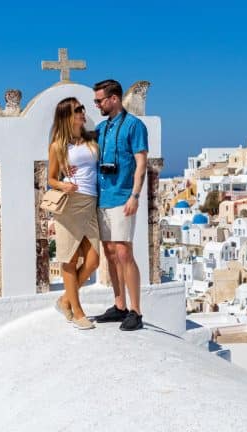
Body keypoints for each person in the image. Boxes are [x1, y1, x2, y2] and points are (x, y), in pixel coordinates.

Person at [91, 79, 148, 331]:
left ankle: (136, 311)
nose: (97, 105)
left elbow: (141, 163)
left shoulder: (134, 126)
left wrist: (135, 196)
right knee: (111, 254)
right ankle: (119, 305)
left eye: (99, 100)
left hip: (123, 197)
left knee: (125, 252)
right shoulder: (102, 128)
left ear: (114, 99)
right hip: (103, 198)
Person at [47, 97, 100, 330]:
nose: (82, 112)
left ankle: (65, 299)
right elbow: (50, 179)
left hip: (91, 203)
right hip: (70, 204)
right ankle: (78, 312)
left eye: (82, 108)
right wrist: (63, 185)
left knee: (94, 259)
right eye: (77, 109)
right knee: (69, 258)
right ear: (67, 115)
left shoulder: (92, 139)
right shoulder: (58, 145)